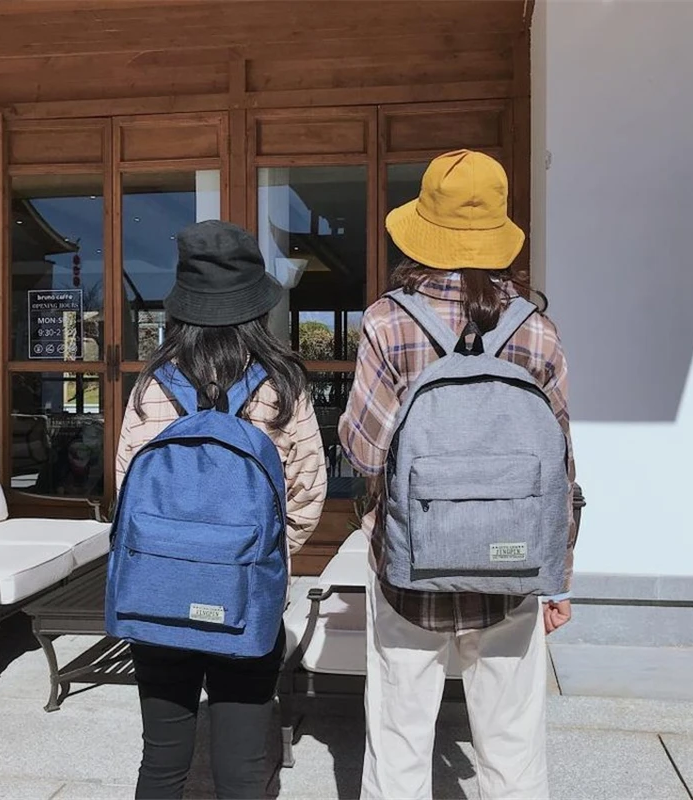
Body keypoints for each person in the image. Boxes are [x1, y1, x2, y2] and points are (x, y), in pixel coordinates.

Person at [339, 150, 577, 800]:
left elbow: (364, 452)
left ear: (424, 228)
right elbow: (560, 464)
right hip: (513, 567)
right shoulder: (538, 332)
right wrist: (559, 574)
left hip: (408, 568)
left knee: (399, 747)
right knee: (513, 752)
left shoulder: (388, 322)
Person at [115, 220, 327, 800]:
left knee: (161, 761)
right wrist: (260, 558)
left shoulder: (151, 385)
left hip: (158, 591)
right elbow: (307, 494)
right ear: (255, 306)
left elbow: (126, 490)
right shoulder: (282, 385)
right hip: (246, 595)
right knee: (242, 765)